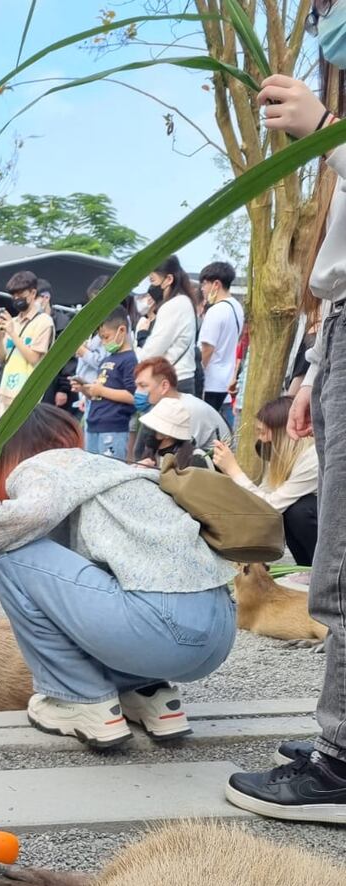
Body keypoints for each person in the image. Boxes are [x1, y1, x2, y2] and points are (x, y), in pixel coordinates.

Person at [0, 405, 236, 750]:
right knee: (96, 586)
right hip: (218, 635)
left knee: (10, 552)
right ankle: (150, 695)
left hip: (160, 628)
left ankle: (82, 700)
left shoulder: (51, 462)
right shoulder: (112, 471)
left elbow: (29, 514)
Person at [223, 33, 346, 821]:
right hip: (338, 328)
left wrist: (328, 126)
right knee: (333, 553)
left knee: (342, 557)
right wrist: (312, 368)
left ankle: (341, 762)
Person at [211, 395, 319, 565]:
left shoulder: (312, 458)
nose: (260, 439)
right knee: (286, 512)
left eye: (262, 432)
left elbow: (270, 506)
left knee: (297, 510)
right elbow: (262, 498)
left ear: (282, 433)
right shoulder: (279, 453)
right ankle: (306, 567)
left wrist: (234, 470)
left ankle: (319, 567)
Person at [132, 356, 230, 456]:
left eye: (143, 386)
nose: (137, 392)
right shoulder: (162, 409)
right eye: (137, 386)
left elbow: (184, 457)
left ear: (164, 386)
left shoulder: (188, 410)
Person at [71, 308, 136, 459]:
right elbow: (99, 393)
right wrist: (86, 389)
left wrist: (101, 391)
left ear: (122, 330)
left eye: (106, 337)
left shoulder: (129, 360)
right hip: (94, 423)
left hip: (113, 426)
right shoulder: (108, 359)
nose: (104, 342)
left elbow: (132, 396)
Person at [0, 270, 55, 415]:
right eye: (13, 296)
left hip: (28, 396)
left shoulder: (44, 322)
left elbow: (34, 359)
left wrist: (13, 333)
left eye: (21, 295)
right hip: (6, 392)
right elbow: (3, 359)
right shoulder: (12, 322)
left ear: (33, 293)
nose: (16, 299)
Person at [137, 255, 198, 393]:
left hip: (173, 381)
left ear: (169, 279)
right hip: (183, 378)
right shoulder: (184, 302)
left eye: (153, 280)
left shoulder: (173, 305)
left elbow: (151, 353)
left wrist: (141, 338)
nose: (151, 286)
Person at [197, 261, 244, 422]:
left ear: (216, 284)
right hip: (226, 380)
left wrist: (198, 370)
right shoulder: (237, 307)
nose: (202, 289)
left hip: (211, 381)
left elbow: (207, 349)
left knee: (207, 429)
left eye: (204, 284)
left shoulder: (216, 310)